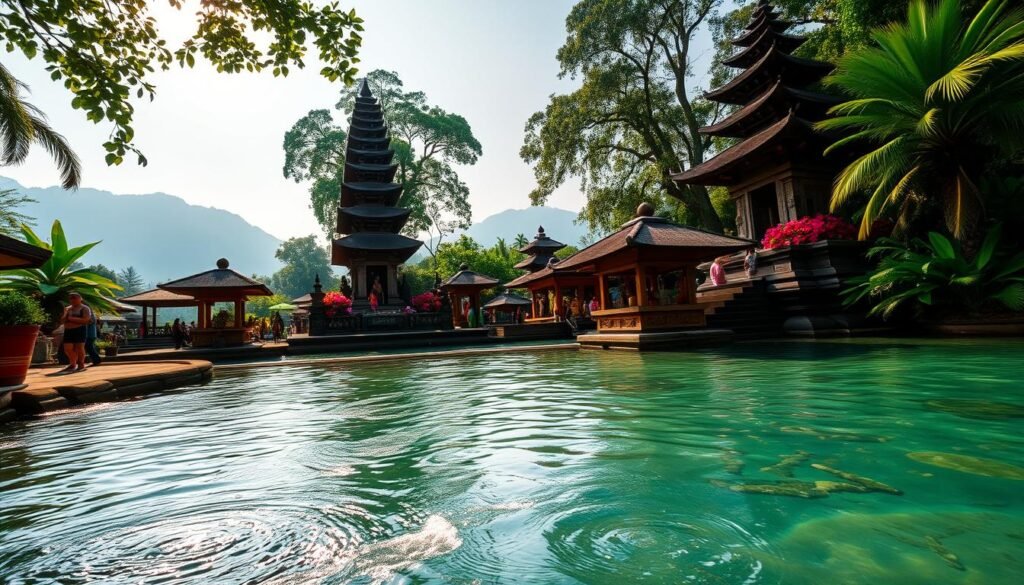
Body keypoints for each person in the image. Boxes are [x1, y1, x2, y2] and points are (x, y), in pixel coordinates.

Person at [60, 292, 92, 373]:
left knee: (79, 347)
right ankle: (72, 363)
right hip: (68, 330)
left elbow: (86, 320)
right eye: (71, 298)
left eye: (75, 298)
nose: (73, 300)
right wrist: (65, 314)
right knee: (67, 349)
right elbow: (62, 320)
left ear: (80, 299)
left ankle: (81, 364)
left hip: (80, 329)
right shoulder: (67, 308)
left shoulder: (85, 308)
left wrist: (71, 318)